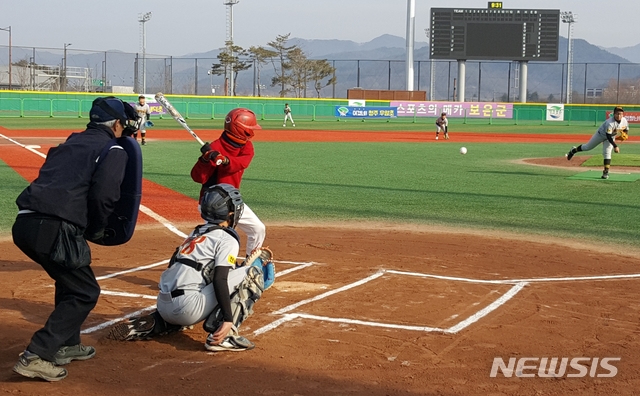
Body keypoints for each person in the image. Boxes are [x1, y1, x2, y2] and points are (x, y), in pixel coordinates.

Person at [11, 97, 141, 382]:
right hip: (53, 227)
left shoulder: (73, 141)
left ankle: (67, 345)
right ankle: (37, 354)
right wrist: (97, 228)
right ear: (117, 124)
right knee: (85, 292)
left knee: (69, 280)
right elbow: (104, 196)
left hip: (25, 222)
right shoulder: (114, 149)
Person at [108, 184, 271, 352]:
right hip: (188, 308)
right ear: (231, 214)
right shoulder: (227, 239)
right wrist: (228, 318)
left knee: (199, 276)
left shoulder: (196, 233)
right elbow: (220, 279)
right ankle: (225, 335)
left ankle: (161, 322)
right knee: (252, 274)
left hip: (164, 305)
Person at [190, 108, 266, 254]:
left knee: (257, 229)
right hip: (211, 203)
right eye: (249, 129)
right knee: (222, 240)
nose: (252, 133)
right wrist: (205, 159)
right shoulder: (215, 148)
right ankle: (200, 264)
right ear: (240, 129)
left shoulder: (246, 146)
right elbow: (197, 177)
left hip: (231, 200)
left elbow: (241, 163)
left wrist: (225, 160)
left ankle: (251, 265)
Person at [566, 106, 630, 179]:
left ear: (623, 114)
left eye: (621, 114)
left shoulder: (624, 120)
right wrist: (615, 146)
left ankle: (606, 172)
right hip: (600, 135)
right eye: (617, 114)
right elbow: (608, 136)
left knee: (607, 153)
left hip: (611, 136)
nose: (619, 116)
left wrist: (625, 134)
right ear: (614, 114)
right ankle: (573, 150)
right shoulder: (610, 123)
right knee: (587, 147)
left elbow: (626, 129)